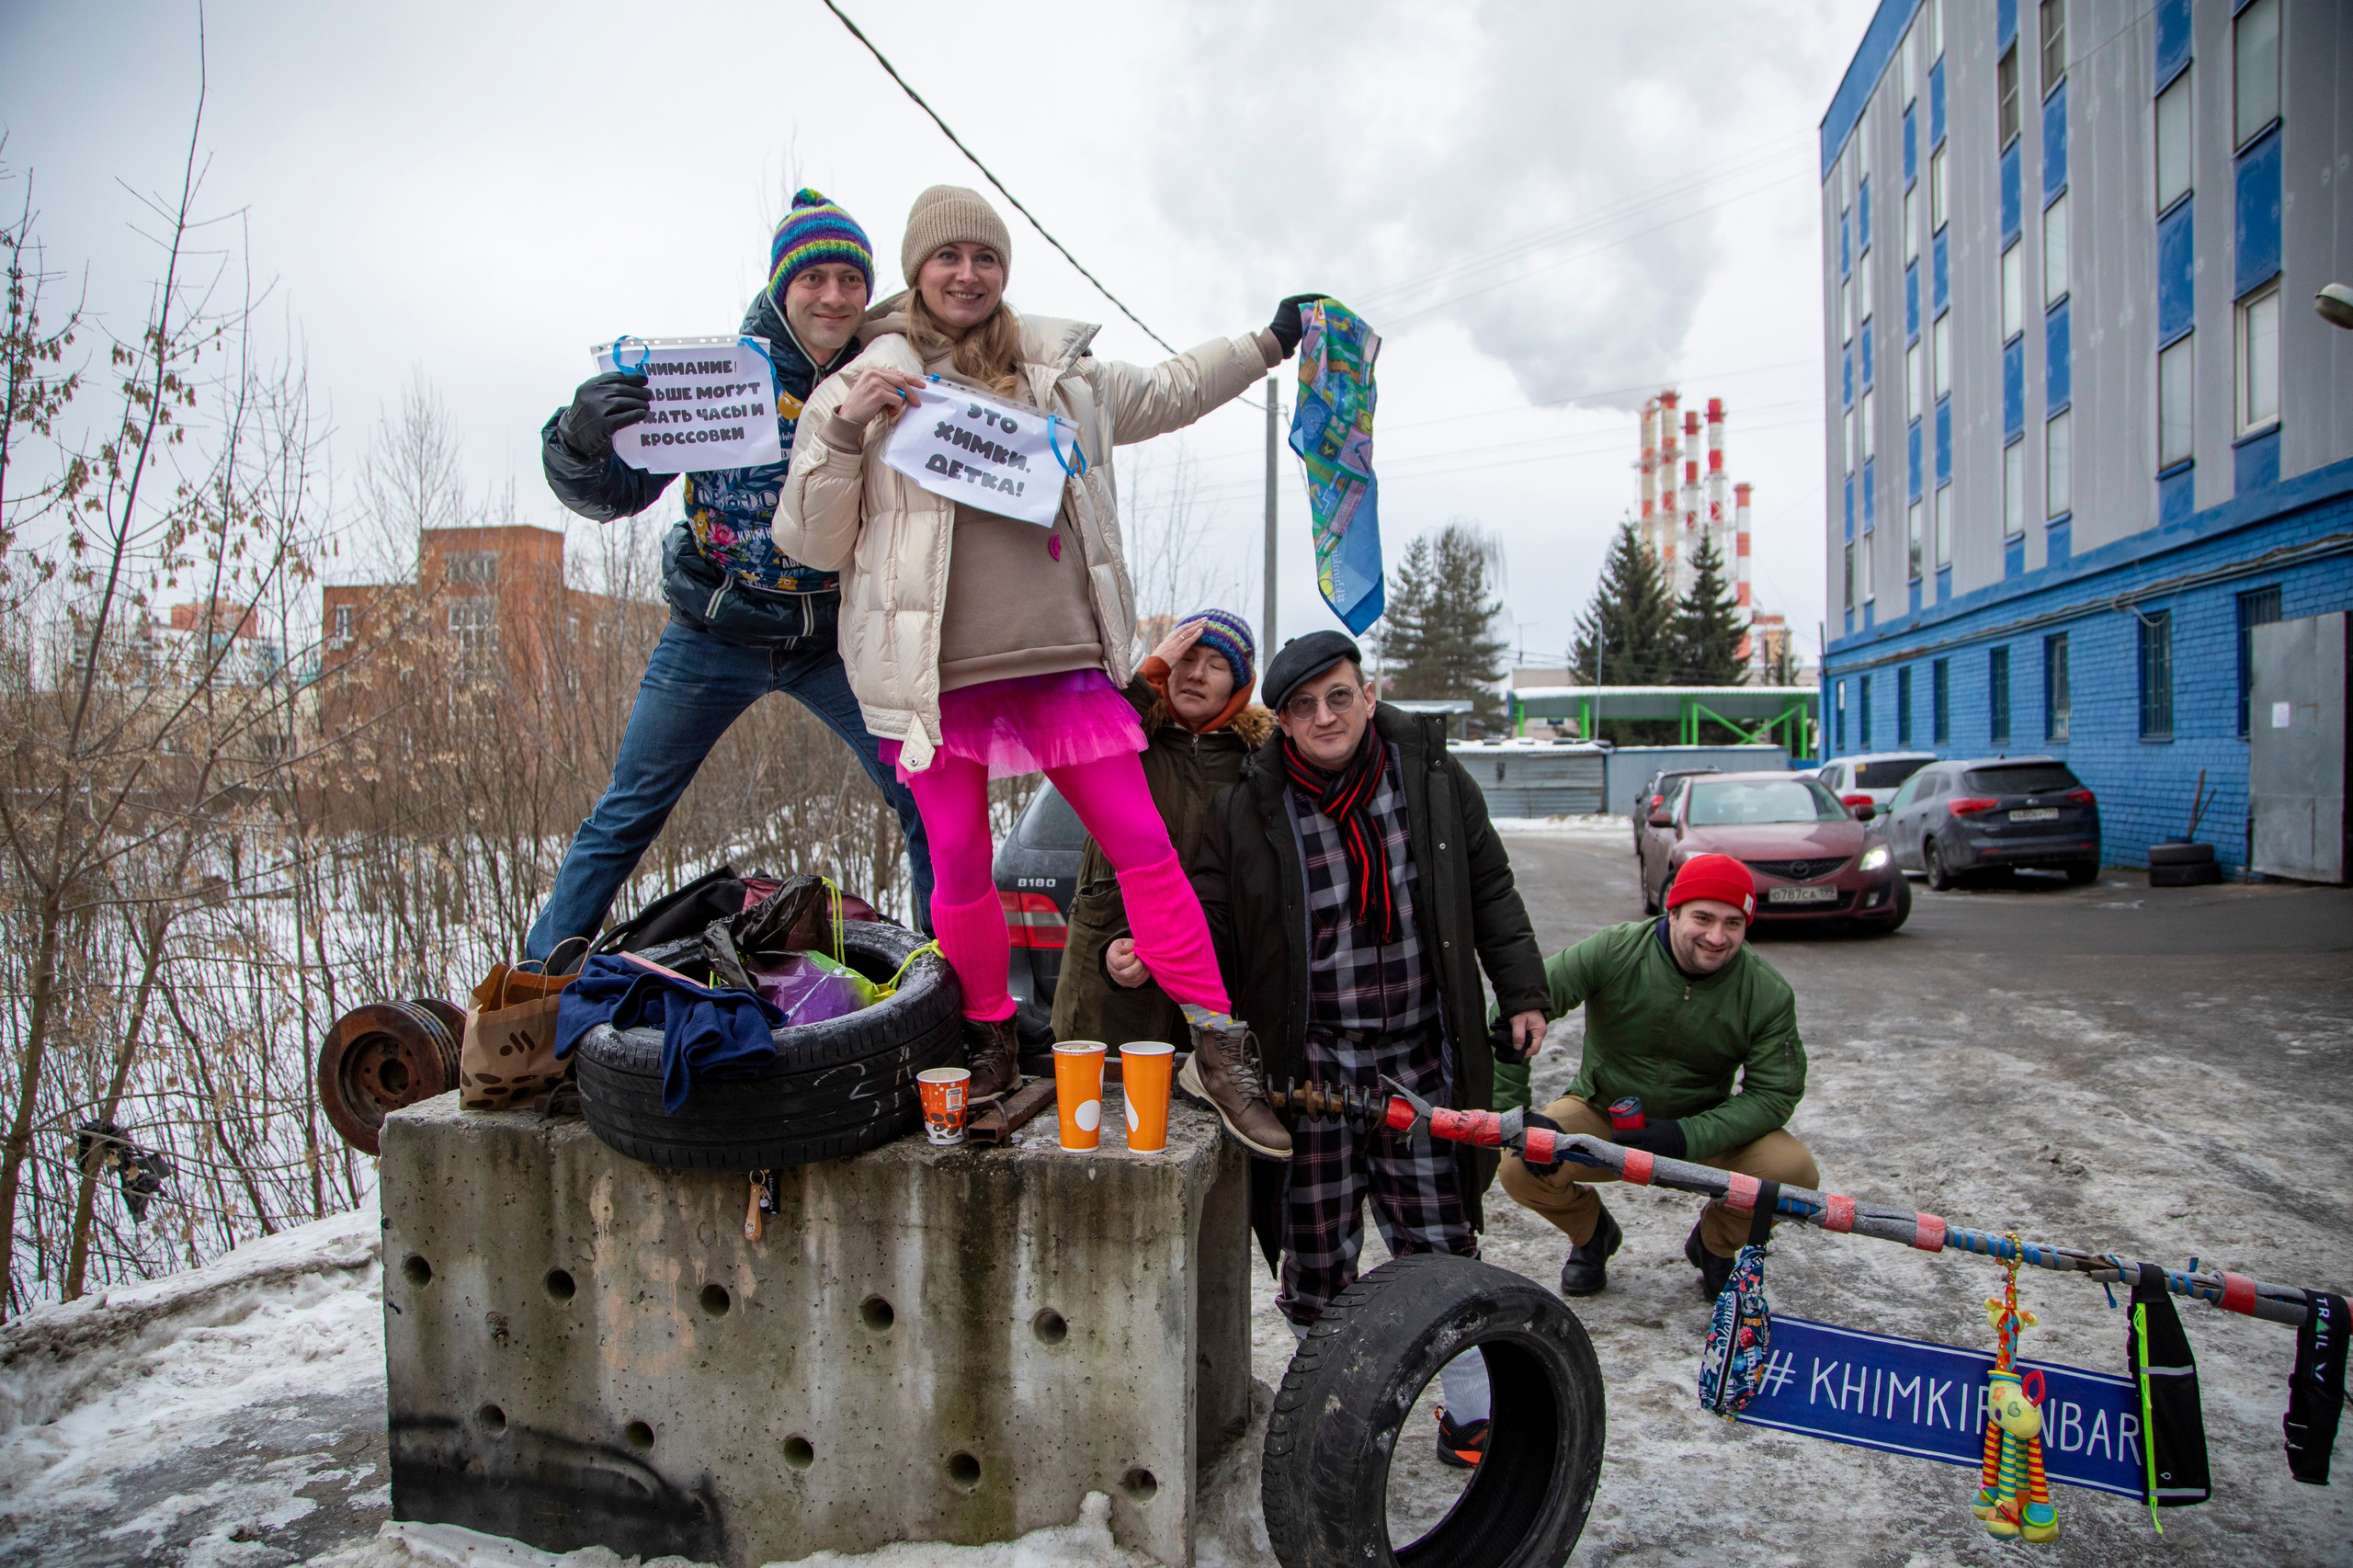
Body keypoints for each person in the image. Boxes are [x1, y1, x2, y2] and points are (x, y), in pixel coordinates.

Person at [777, 183, 1320, 1107]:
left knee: (1145, 847)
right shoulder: (859, 382)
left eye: (985, 257)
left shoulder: (1060, 373)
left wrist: (1268, 342)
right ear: (917, 269)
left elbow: (1173, 390)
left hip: (1061, 667)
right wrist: (841, 425)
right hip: (935, 682)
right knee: (958, 864)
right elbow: (812, 543)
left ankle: (1218, 1042)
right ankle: (988, 1034)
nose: (967, 274)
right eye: (948, 257)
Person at [529, 191, 932, 962]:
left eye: (851, 280)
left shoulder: (884, 373)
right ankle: (537, 982)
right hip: (715, 629)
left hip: (833, 640)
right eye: (814, 279)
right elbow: (614, 494)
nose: (834, 296)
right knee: (627, 811)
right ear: (783, 287)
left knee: (923, 793)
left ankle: (949, 981)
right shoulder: (721, 376)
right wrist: (577, 441)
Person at [1192, 630, 1550, 1469]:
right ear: (1283, 722)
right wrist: (1153, 957)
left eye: (1339, 697)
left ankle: (1470, 1413)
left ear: (1369, 696)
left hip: (1421, 1055)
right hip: (1311, 1069)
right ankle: (1330, 1418)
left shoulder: (1430, 779)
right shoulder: (1250, 807)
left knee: (1440, 1240)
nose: (1326, 717)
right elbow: (1209, 915)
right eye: (1304, 706)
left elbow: (1489, 884)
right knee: (1317, 1255)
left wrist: (1523, 990)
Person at [1495, 853, 1818, 1301]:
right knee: (1519, 1165)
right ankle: (1592, 1234)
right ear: (1673, 911)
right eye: (1702, 918)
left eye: (1732, 923)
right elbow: (1513, 1013)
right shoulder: (1614, 951)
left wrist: (1687, 1136)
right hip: (1603, 1113)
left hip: (1704, 1126)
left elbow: (1774, 1094)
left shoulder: (1765, 992)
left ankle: (1715, 1245)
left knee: (1794, 1174)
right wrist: (1515, 1115)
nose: (1717, 937)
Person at [1054, 610, 1271, 1048]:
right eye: (1186, 659)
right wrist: (1147, 675)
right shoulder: (1123, 740)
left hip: (1210, 986)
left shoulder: (1258, 765)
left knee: (1197, 1086)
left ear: (1239, 683)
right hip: (1105, 980)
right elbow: (1072, 728)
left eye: (1216, 666)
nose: (1196, 675)